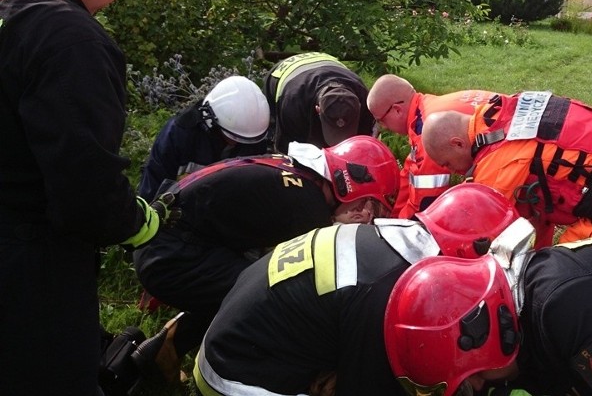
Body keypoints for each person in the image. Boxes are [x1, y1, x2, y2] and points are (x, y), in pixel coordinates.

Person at [0, 0, 173, 394]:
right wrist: (140, 222)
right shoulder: (70, 39)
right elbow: (85, 192)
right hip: (31, 271)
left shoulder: (7, 1)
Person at [193, 183, 533, 396]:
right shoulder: (389, 295)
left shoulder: (388, 238)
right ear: (465, 253)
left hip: (235, 340)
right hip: (236, 379)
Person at [130, 136, 400, 384]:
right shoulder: (308, 206)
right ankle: (239, 369)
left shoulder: (299, 175)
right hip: (171, 257)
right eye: (370, 207)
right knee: (270, 299)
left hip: (167, 243)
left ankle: (167, 346)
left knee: (250, 279)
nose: (366, 218)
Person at [384, 236, 592, 396]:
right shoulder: (527, 314)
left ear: (484, 334)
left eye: (471, 379)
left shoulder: (565, 304)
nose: (478, 386)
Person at [421, 91, 592, 246]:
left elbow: (479, 236)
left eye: (447, 163)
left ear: (457, 143)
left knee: (566, 270)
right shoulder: (499, 111)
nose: (451, 172)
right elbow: (533, 211)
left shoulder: (496, 162)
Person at [366, 73, 497, 218]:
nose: (384, 127)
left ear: (397, 110)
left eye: (381, 120)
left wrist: (396, 228)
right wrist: (395, 215)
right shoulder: (426, 109)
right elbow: (412, 170)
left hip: (513, 157)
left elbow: (426, 202)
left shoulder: (430, 132)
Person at [137, 75, 270, 202]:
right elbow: (152, 188)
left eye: (243, 140)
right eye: (232, 137)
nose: (236, 143)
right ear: (210, 120)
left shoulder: (255, 136)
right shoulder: (180, 135)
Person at [262, 52, 374, 152]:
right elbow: (288, 150)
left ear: (359, 107)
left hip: (328, 64)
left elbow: (363, 146)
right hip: (285, 74)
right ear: (318, 109)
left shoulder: (364, 98)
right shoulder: (292, 103)